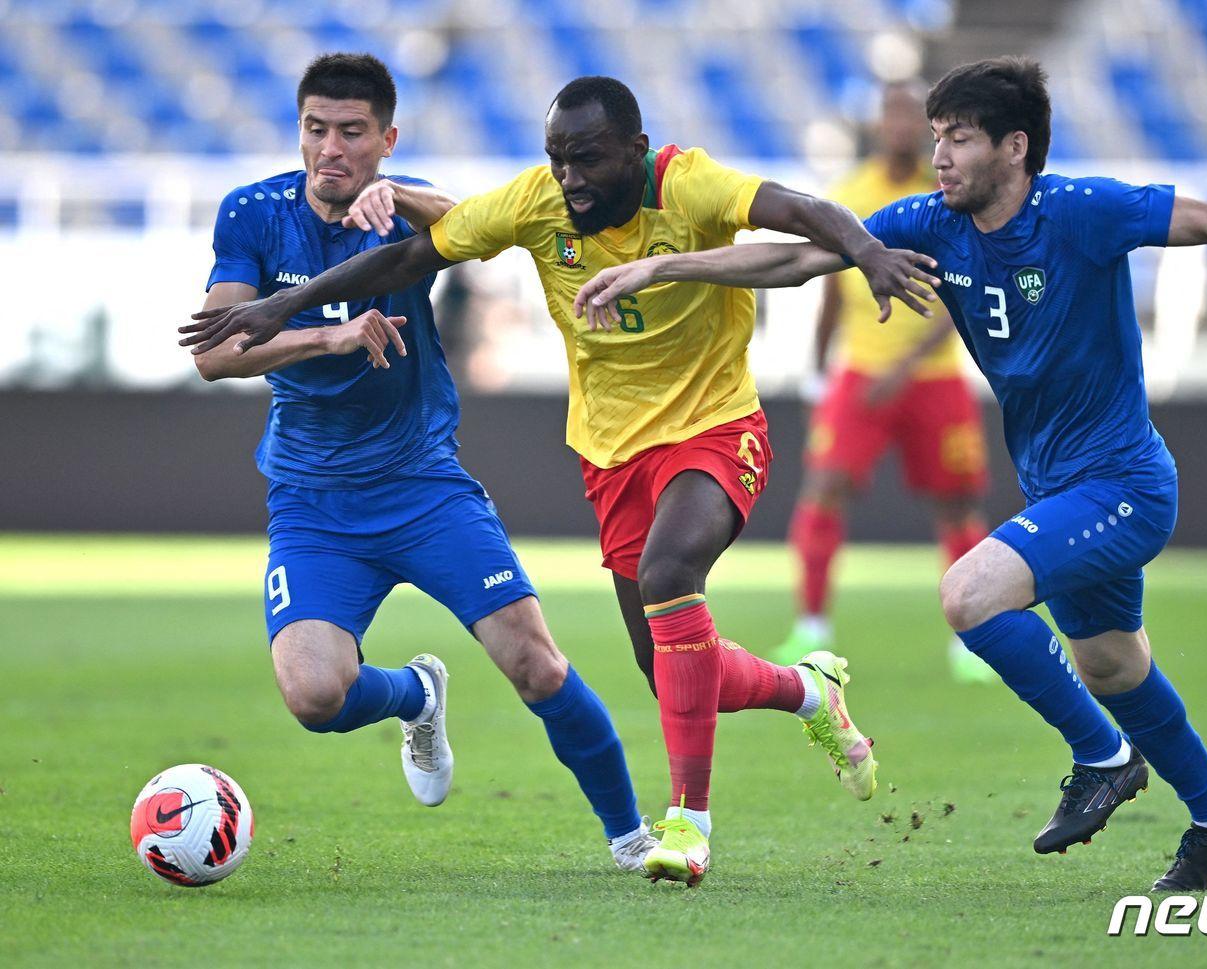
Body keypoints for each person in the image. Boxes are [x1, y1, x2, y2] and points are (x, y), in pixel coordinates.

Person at [570, 57, 1207, 892]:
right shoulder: (935, 222)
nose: (940, 155)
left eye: (961, 138)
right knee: (1114, 666)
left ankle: (1105, 757)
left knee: (969, 595)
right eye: (937, 136)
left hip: (1123, 484)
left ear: (1015, 148)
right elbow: (801, 261)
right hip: (1059, 489)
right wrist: (663, 266)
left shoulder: (1082, 211)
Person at [179, 74, 937, 887]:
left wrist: (866, 255)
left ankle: (667, 827)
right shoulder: (287, 212)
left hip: (625, 445)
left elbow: (793, 219)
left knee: (618, 611)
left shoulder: (681, 184)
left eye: (354, 133)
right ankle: (802, 691)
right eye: (317, 130)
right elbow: (342, 290)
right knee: (662, 669)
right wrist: (294, 322)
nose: (568, 176)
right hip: (519, 468)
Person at [187, 54, 654, 872]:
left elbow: (488, 228)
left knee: (536, 664)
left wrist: (398, 195)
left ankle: (632, 834)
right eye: (316, 129)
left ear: (386, 139)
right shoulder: (253, 213)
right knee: (313, 695)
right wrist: (328, 336)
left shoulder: (403, 209)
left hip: (421, 485)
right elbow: (217, 353)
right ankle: (416, 694)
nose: (331, 148)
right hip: (313, 498)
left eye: (352, 133)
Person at [774, 82, 994, 685]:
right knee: (823, 491)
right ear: (876, 125)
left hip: (931, 379)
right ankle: (811, 629)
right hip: (859, 376)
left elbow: (962, 296)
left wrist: (901, 369)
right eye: (891, 114)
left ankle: (971, 639)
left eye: (911, 117)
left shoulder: (947, 195)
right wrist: (819, 374)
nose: (899, 126)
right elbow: (829, 292)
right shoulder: (848, 195)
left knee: (958, 505)